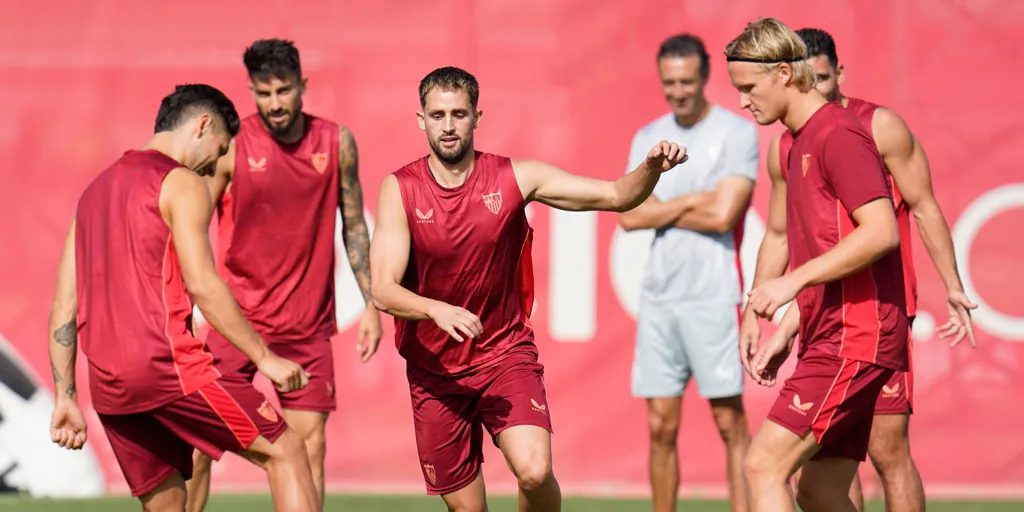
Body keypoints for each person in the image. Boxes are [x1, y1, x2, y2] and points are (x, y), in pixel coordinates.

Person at [370, 66, 688, 512]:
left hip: (504, 354)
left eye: (458, 114)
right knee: (468, 508)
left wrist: (650, 169)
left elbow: (617, 195)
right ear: (421, 120)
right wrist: (435, 310)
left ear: (477, 118)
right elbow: (382, 289)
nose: (447, 125)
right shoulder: (399, 189)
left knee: (535, 471)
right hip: (434, 372)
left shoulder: (514, 178)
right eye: (437, 115)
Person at [47, 84, 319, 512]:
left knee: (168, 502)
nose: (215, 166)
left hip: (110, 390)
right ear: (203, 125)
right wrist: (264, 357)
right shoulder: (179, 182)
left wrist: (66, 398)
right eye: (221, 148)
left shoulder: (91, 195)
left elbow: (64, 309)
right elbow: (204, 285)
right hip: (169, 371)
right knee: (286, 451)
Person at [772, 27, 977, 512]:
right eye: (807, 79)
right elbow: (780, 233)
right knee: (821, 464)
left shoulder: (875, 125)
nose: (816, 90)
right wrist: (769, 311)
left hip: (877, 314)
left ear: (838, 73)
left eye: (823, 78)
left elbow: (923, 207)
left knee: (886, 449)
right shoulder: (788, 143)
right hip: (821, 316)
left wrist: (952, 286)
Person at [186, 39, 382, 511]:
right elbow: (189, 223)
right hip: (237, 322)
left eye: (284, 90)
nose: (275, 103)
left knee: (309, 445)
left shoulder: (337, 143)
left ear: (303, 87)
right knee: (196, 442)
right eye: (264, 93)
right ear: (252, 91)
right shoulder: (232, 148)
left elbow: (354, 224)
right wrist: (191, 301)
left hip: (306, 326)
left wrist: (373, 305)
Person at [723, 18, 910, 512]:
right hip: (830, 332)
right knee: (820, 493)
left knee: (762, 466)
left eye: (748, 88)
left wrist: (792, 284)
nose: (742, 101)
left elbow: (881, 231)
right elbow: (788, 237)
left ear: (784, 72)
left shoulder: (838, 133)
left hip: (856, 335)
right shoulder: (794, 141)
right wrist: (774, 320)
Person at [617, 33, 757, 512]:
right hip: (659, 298)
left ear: (704, 78)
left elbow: (725, 216)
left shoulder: (736, 133)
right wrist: (697, 198)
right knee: (660, 425)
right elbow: (629, 215)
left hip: (715, 295)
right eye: (669, 83)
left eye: (686, 81)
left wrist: (665, 206)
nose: (678, 91)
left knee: (729, 422)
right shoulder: (646, 136)